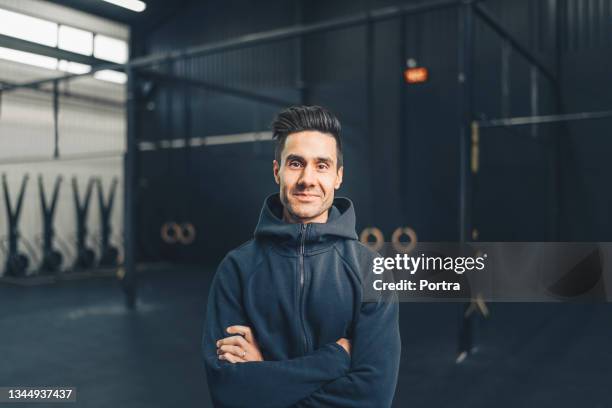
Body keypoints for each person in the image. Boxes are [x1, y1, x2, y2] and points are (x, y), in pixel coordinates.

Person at [202, 105, 401, 407]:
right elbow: (229, 393)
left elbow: (373, 397)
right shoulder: (237, 269)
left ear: (338, 176)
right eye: (296, 163)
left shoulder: (370, 270)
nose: (308, 178)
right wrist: (335, 360)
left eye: (322, 165)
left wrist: (262, 371)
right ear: (276, 171)